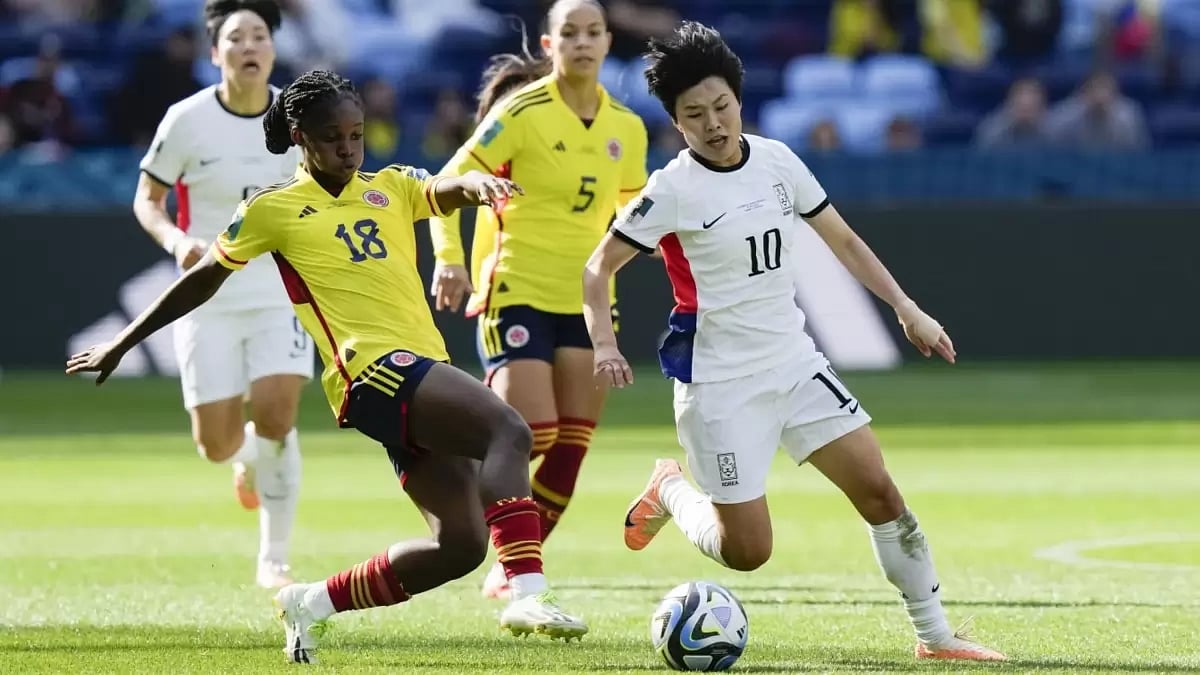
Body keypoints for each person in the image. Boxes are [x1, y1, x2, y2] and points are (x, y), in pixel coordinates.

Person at [68, 69, 587, 665]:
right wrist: (125, 341)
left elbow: (447, 189)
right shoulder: (274, 209)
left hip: (416, 370)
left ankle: (310, 602)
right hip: (372, 372)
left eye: (357, 135)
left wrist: (477, 184)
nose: (348, 148)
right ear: (300, 137)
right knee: (510, 430)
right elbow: (202, 280)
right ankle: (528, 593)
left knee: (461, 546)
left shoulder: (390, 186)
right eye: (333, 137)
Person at [582, 22, 1007, 662]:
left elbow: (844, 241)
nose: (714, 124)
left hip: (794, 364)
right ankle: (670, 486)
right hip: (719, 384)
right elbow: (597, 269)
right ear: (675, 121)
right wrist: (605, 345)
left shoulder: (778, 160)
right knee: (748, 552)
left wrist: (906, 308)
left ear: (739, 99)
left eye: (722, 106)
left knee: (882, 495)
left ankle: (936, 636)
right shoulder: (670, 190)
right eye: (695, 115)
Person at [428, 0, 649, 600]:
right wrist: (449, 259)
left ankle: (513, 566)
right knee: (533, 434)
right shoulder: (520, 112)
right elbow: (444, 182)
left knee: (571, 448)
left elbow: (633, 218)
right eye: (569, 33)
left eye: (594, 31)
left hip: (587, 303)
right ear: (550, 47)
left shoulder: (626, 128)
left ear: (608, 42)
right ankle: (449, 478)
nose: (583, 42)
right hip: (516, 291)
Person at [132, 0, 309, 590]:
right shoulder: (185, 120)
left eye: (259, 35)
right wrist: (177, 241)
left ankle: (274, 559)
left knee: (280, 417)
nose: (249, 46)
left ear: (273, 50)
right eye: (236, 38)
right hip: (206, 294)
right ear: (216, 53)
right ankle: (244, 459)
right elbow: (147, 201)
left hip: (279, 290)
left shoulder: (297, 116)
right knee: (217, 444)